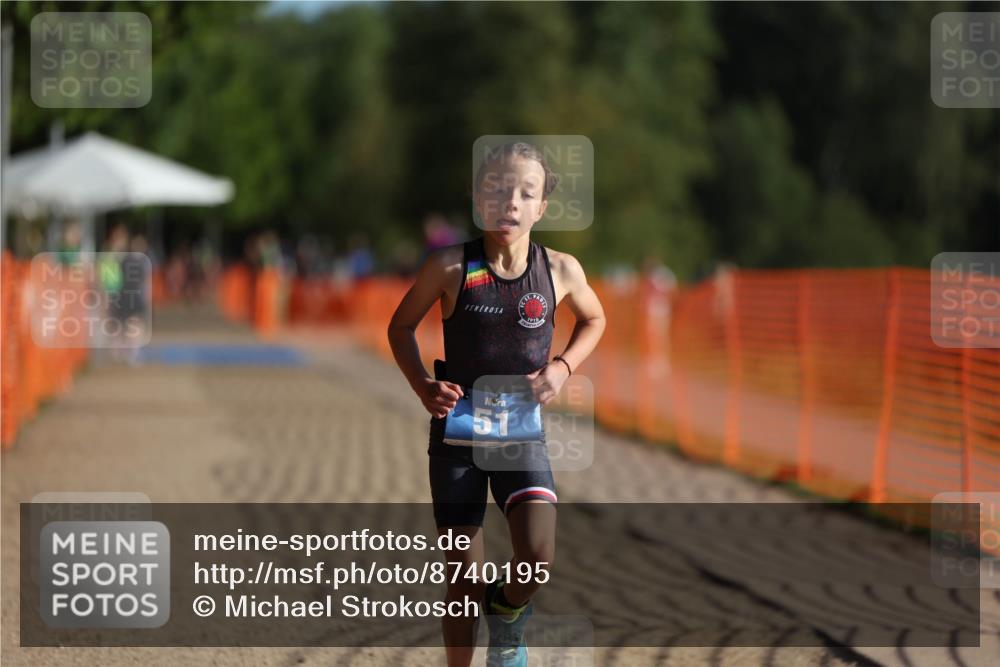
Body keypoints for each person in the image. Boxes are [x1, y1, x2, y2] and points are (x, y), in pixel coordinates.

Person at [387, 142, 606, 667]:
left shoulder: (560, 270)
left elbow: (594, 319)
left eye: (524, 193)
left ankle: (506, 613)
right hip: (458, 437)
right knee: (461, 577)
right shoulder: (448, 266)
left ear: (540, 208)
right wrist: (422, 384)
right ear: (477, 201)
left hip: (520, 436)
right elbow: (399, 327)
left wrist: (562, 367)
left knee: (537, 559)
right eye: (496, 189)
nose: (509, 201)